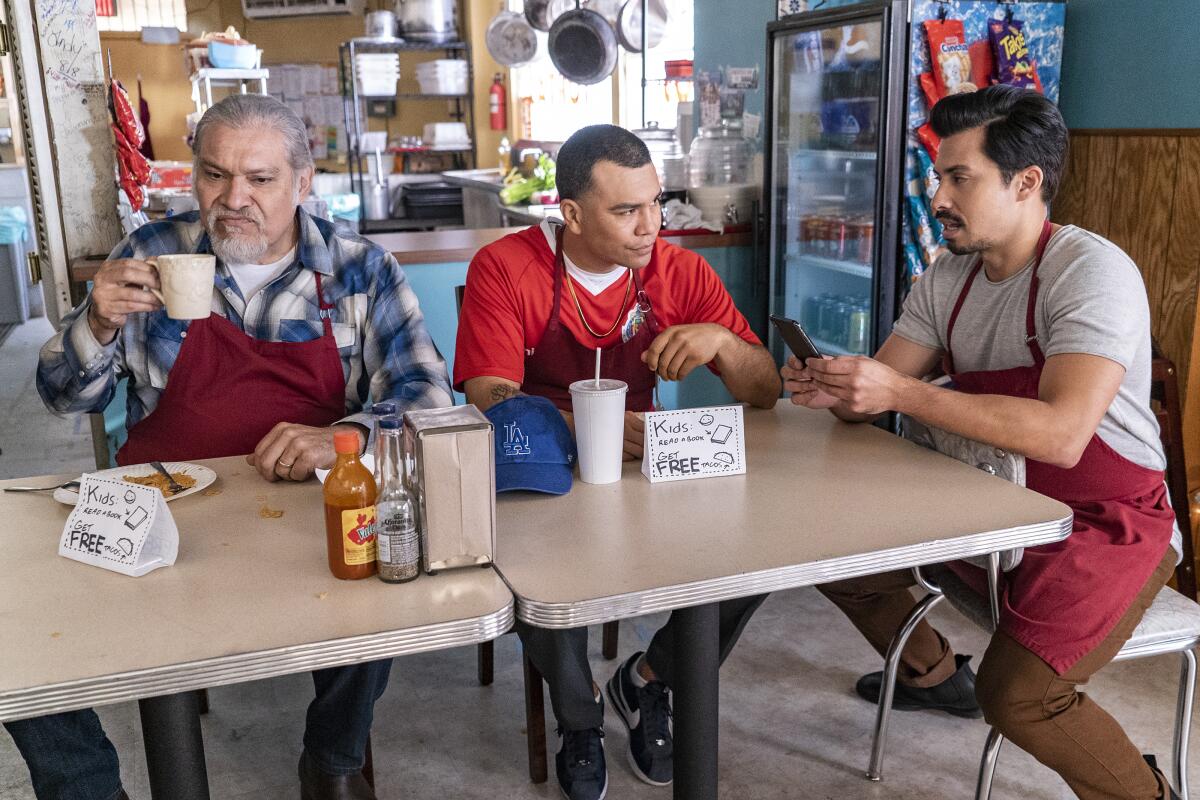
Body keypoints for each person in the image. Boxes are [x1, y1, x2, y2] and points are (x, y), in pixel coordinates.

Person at [22, 94, 452, 800]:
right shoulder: (151, 253)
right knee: (24, 631)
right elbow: (64, 398)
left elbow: (429, 402)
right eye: (215, 175)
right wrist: (95, 324)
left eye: (259, 179)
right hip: (158, 508)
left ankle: (333, 757)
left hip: (304, 509)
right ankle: (89, 789)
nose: (234, 199)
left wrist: (339, 438)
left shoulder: (358, 268)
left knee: (384, 575)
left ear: (303, 182)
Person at [784, 86, 1180, 800]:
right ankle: (935, 677)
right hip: (986, 504)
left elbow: (1062, 436)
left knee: (1022, 697)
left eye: (958, 177)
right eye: (938, 176)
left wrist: (900, 394)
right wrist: (840, 387)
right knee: (834, 557)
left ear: (1026, 182)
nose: (937, 196)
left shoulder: (1092, 273)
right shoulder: (949, 278)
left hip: (1104, 526)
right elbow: (880, 392)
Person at [454, 124, 780, 800]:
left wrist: (721, 340)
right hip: (539, 464)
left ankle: (651, 678)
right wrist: (594, 427)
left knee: (761, 553)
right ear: (570, 213)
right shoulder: (506, 266)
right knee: (540, 577)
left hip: (646, 461)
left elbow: (766, 391)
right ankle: (579, 718)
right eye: (626, 210)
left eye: (656, 203)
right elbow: (490, 395)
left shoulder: (680, 270)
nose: (649, 225)